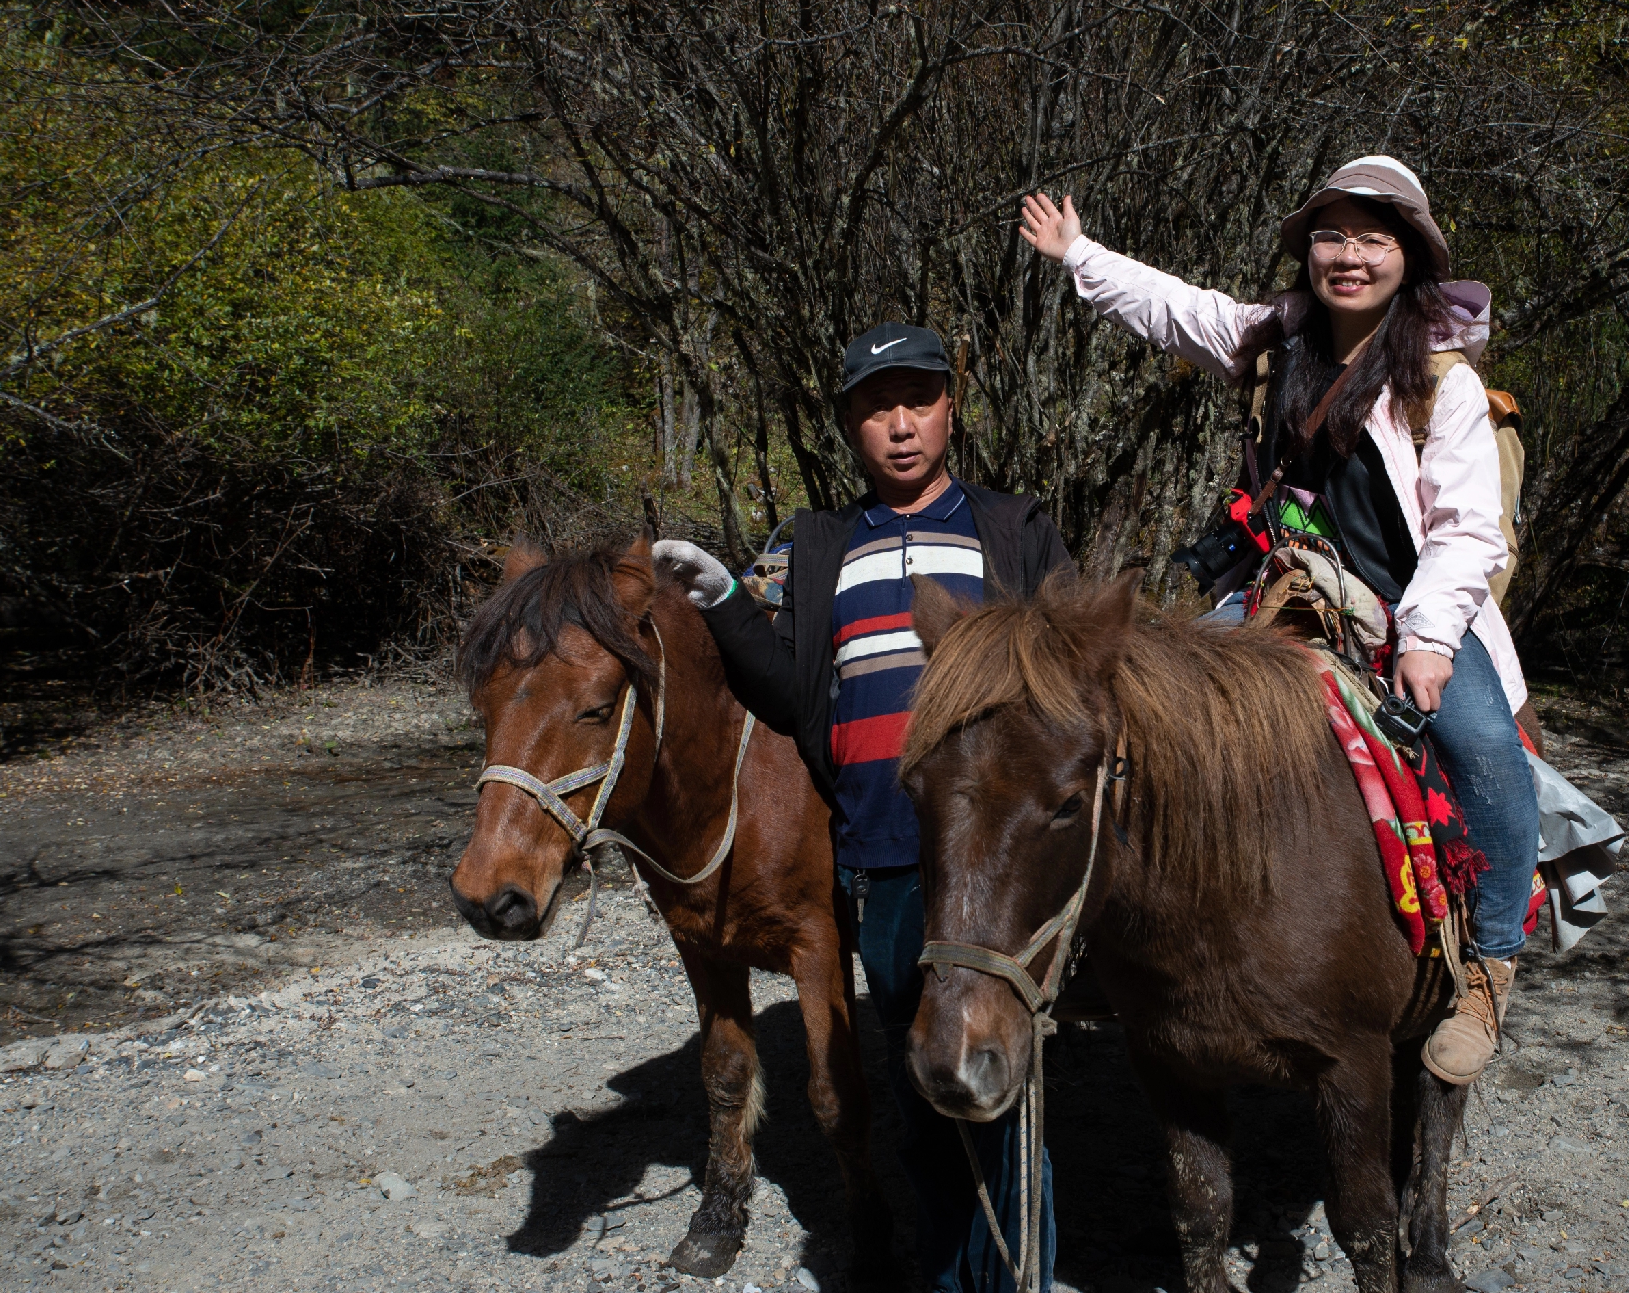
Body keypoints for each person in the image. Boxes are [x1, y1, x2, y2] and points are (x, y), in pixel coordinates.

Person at [1018, 157, 1539, 1086]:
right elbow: (1175, 308)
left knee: (1488, 747)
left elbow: (1467, 533)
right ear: (1309, 250)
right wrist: (1076, 254)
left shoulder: (1440, 384)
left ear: (1409, 256)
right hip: (1280, 593)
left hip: (1404, 612)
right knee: (1150, 715)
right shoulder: (1275, 340)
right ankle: (1135, 934)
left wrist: (1426, 644)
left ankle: (1490, 968)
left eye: (1373, 239)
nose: (1349, 256)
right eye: (1332, 235)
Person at [653, 323, 1071, 1292]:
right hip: (881, 854)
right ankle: (943, 1272)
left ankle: (1017, 1277)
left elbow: (1066, 687)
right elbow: (792, 699)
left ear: (949, 410)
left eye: (916, 400)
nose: (898, 425)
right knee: (922, 1081)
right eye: (874, 407)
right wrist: (721, 597)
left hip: (990, 861)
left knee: (1003, 1081)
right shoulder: (816, 544)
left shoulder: (1010, 527)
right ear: (847, 425)